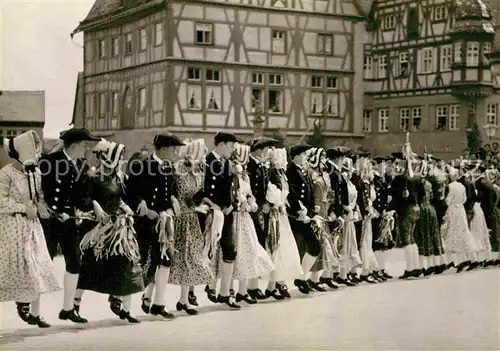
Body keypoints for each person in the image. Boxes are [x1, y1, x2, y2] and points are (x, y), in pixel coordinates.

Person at [78, 140, 144, 323]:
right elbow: (85, 199)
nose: (122, 160)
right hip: (100, 232)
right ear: (110, 158)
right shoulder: (93, 177)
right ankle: (74, 303)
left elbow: (119, 199)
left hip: (120, 229)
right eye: (119, 157)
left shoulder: (120, 178)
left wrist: (128, 209)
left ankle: (127, 309)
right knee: (89, 268)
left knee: (128, 264)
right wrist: (95, 205)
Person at [0, 130, 61, 328]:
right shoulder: (6, 173)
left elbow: (39, 195)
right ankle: (22, 303)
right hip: (11, 226)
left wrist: (41, 206)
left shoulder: (35, 172)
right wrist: (23, 208)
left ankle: (34, 312)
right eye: (34, 149)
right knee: (12, 269)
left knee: (36, 267)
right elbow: (1, 201)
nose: (37, 153)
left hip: (32, 227)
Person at [39, 127, 100, 323]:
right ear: (74, 145)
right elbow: (40, 191)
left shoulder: (81, 164)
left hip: (69, 221)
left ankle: (68, 309)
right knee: (43, 263)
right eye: (84, 144)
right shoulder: (50, 162)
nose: (87, 148)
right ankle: (32, 310)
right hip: (50, 221)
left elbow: (81, 195)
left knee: (75, 262)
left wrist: (91, 206)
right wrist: (54, 211)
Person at [126, 132, 185, 319]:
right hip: (145, 223)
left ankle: (158, 304)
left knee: (165, 260)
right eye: (174, 149)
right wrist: (142, 204)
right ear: (165, 149)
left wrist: (173, 202)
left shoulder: (169, 168)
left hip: (163, 222)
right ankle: (122, 300)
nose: (176, 153)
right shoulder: (142, 166)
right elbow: (131, 193)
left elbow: (170, 192)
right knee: (141, 262)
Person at [169, 139, 213, 315]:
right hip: (179, 221)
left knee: (191, 259)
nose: (203, 157)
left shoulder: (198, 172)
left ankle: (184, 300)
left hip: (192, 220)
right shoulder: (178, 171)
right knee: (171, 261)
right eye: (201, 153)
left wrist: (204, 205)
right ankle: (149, 297)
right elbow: (178, 195)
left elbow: (198, 195)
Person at [202, 132, 241, 309]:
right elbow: (201, 189)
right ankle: (191, 294)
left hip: (228, 212)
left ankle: (224, 292)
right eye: (232, 146)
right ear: (223, 144)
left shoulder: (229, 164)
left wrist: (232, 205)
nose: (233, 149)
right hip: (211, 213)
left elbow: (233, 189)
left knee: (230, 251)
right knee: (205, 252)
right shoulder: (206, 161)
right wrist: (213, 205)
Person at [246, 137, 280, 300]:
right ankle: (251, 287)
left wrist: (269, 202)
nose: (267, 153)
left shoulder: (262, 166)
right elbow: (250, 189)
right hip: (254, 211)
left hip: (263, 211)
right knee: (255, 246)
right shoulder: (249, 166)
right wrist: (262, 203)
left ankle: (254, 286)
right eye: (266, 150)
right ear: (259, 150)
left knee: (261, 245)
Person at [287, 144, 321, 294]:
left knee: (315, 246)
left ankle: (302, 277)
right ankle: (278, 284)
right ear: (296, 157)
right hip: (295, 217)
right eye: (303, 155)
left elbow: (310, 193)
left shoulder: (305, 170)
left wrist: (313, 211)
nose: (306, 158)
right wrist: (300, 212)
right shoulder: (290, 171)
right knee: (288, 250)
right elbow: (291, 194)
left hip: (306, 216)